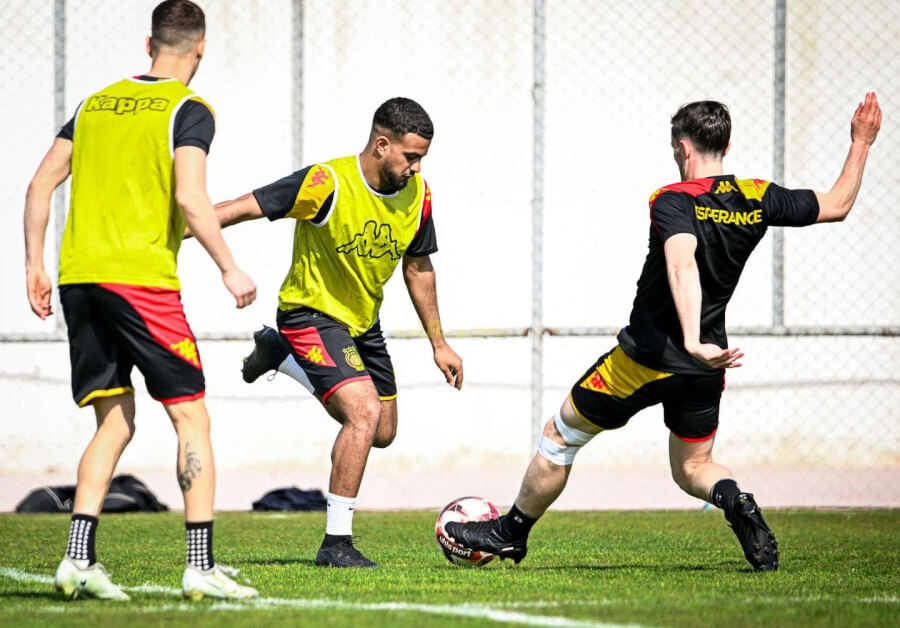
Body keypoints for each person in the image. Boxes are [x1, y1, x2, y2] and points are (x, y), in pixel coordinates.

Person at [446, 93, 883, 572]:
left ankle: (511, 533)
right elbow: (837, 205)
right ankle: (736, 499)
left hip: (645, 359)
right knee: (693, 468)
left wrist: (689, 337)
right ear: (727, 145)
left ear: (682, 148)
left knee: (560, 434)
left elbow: (681, 262)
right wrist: (861, 142)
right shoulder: (758, 195)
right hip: (707, 363)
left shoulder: (672, 199)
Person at [24, 0, 259, 600]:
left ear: (147, 43)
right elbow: (190, 197)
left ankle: (78, 558)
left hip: (79, 279)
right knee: (191, 416)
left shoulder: (94, 104)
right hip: (141, 282)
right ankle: (200, 566)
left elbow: (40, 183)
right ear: (200, 49)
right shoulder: (190, 108)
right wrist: (230, 267)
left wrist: (34, 266)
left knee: (114, 420)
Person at [203, 97, 463, 568]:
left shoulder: (418, 194)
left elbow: (419, 266)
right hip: (310, 313)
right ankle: (335, 543)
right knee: (361, 413)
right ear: (382, 145)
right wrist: (168, 229)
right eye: (410, 155)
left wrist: (439, 344)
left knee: (382, 431)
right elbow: (242, 207)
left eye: (422, 157)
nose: (416, 166)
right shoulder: (327, 182)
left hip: (363, 321)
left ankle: (278, 356)